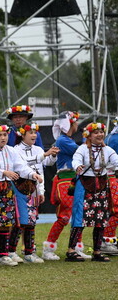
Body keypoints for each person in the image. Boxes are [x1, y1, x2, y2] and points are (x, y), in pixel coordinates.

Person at [0, 125, 42, 268]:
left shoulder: (11, 150)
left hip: (6, 189)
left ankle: (3, 255)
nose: (3, 138)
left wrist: (33, 174)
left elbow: (21, 166)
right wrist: (4, 172)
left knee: (5, 223)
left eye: (5, 135)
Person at [65, 122, 118, 262]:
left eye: (101, 132)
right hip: (84, 185)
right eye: (96, 132)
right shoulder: (82, 149)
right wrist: (77, 166)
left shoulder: (108, 150)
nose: (100, 134)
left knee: (100, 219)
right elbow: (75, 160)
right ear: (89, 135)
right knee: (79, 217)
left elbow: (116, 160)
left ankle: (97, 252)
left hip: (101, 186)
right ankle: (71, 251)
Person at [43, 111, 89, 260]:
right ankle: (49, 248)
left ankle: (76, 247)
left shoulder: (66, 139)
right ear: (70, 124)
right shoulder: (63, 140)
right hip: (65, 180)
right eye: (75, 122)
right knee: (64, 216)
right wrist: (86, 139)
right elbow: (81, 153)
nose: (77, 125)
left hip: (74, 179)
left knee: (78, 214)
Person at [11, 123, 58, 263]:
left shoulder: (37, 149)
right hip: (19, 190)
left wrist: (53, 156)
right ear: (22, 135)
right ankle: (11, 251)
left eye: (35, 132)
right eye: (30, 132)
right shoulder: (15, 150)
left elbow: (45, 166)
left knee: (31, 222)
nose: (34, 135)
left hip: (34, 190)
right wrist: (44, 155)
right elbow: (21, 165)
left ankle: (29, 252)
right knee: (20, 222)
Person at [102, 116, 118, 254]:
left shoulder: (111, 137)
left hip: (109, 176)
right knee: (115, 210)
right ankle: (107, 240)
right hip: (110, 177)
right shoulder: (114, 139)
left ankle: (108, 239)